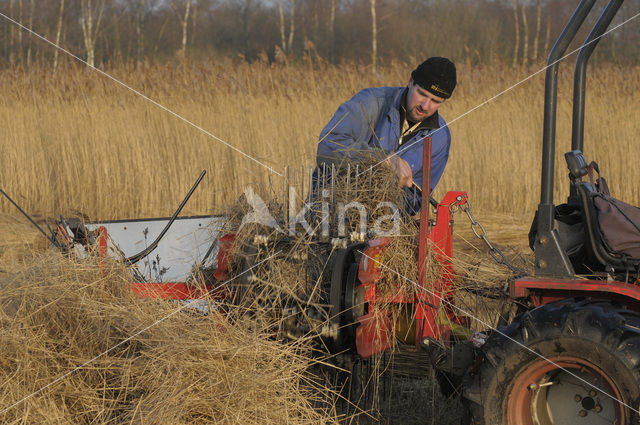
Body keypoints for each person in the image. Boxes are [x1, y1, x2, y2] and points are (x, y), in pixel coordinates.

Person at [316, 57, 456, 213]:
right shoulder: (370, 103)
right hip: (329, 214)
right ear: (410, 82)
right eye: (422, 94)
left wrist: (383, 209)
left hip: (383, 225)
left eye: (435, 101)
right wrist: (383, 159)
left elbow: (415, 200)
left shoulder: (440, 138)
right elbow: (326, 148)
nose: (425, 106)